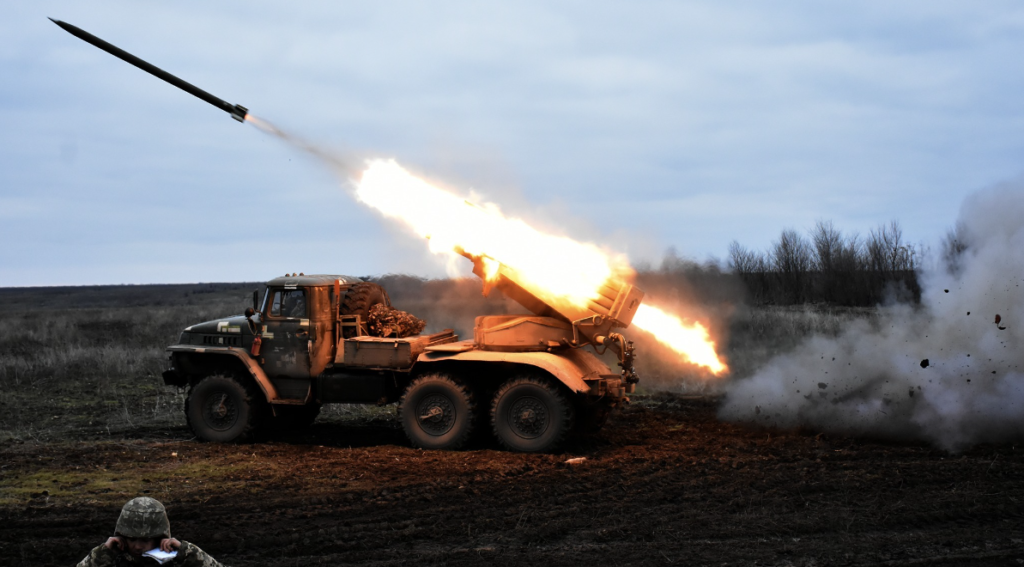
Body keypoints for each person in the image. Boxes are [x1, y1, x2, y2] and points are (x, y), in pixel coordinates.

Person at [77, 497, 227, 566]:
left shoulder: (175, 560)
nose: (137, 546)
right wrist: (102, 553)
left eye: (145, 540)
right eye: (132, 539)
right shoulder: (112, 559)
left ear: (160, 538)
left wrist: (187, 552)